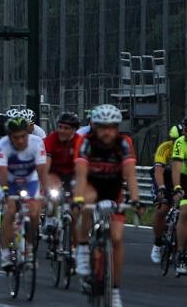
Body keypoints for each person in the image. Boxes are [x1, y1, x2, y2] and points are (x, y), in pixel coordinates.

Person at [74, 104, 142, 306]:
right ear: (94, 127)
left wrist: (136, 200)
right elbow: (80, 175)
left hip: (114, 190)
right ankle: (83, 250)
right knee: (86, 201)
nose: (106, 132)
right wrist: (78, 200)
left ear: (117, 127)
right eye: (102, 127)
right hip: (91, 185)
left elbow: (130, 175)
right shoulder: (86, 142)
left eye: (111, 127)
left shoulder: (123, 143)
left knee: (117, 238)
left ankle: (114, 289)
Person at [0, 116, 47, 269]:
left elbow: (42, 171)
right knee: (10, 210)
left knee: (34, 213)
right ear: (9, 136)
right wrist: (5, 192)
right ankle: (5, 253)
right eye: (15, 137)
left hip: (29, 179)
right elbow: (3, 172)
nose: (20, 141)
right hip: (8, 180)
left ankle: (29, 250)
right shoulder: (2, 145)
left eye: (23, 136)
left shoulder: (37, 143)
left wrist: (45, 191)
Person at [42, 112, 81, 240]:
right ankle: (49, 218)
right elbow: (46, 165)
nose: (61, 131)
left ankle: (75, 247)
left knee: (76, 208)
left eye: (66, 128)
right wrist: (45, 184)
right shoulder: (51, 139)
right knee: (53, 191)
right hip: (55, 172)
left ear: (74, 130)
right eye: (60, 127)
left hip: (72, 173)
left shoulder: (80, 141)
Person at [149, 123, 179, 264]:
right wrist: (161, 187)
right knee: (162, 208)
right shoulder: (165, 148)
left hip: (181, 179)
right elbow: (159, 171)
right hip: (164, 179)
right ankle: (158, 243)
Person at [167, 118, 187, 274]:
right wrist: (177, 187)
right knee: (185, 212)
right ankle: (180, 253)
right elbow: (176, 167)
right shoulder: (180, 143)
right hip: (184, 178)